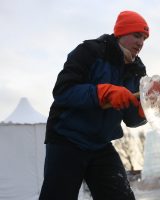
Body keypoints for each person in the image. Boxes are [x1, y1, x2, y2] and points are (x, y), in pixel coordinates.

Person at [39, 11, 149, 200]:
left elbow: (131, 119)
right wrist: (103, 92)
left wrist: (146, 107)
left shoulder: (137, 69)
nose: (141, 42)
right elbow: (63, 91)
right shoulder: (91, 50)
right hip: (67, 138)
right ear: (121, 33)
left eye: (145, 38)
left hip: (100, 144)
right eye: (137, 35)